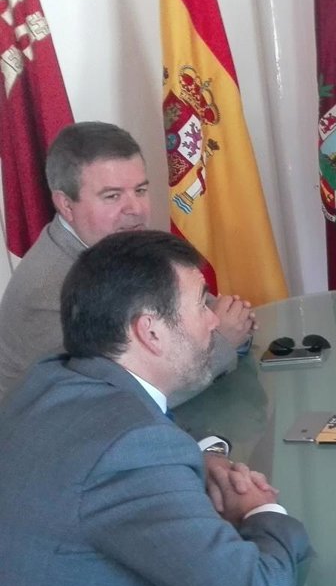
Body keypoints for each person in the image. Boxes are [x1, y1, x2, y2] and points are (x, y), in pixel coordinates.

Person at [0, 230, 309, 586]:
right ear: (150, 332)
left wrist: (194, 461)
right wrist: (262, 511)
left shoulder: (49, 380)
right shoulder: (133, 449)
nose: (214, 320)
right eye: (201, 303)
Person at [0, 121, 254, 403]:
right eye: (112, 196)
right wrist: (222, 343)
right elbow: (117, 398)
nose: (135, 209)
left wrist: (229, 320)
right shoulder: (48, 289)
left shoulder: (117, 244)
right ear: (66, 205)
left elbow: (210, 314)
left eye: (140, 191)